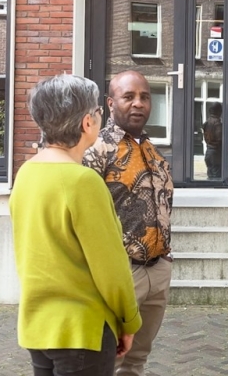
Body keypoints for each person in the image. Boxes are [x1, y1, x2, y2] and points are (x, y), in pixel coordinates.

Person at [10, 73, 142, 376]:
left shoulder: (26, 173)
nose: (100, 116)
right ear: (87, 122)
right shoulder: (83, 182)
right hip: (82, 329)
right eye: (98, 111)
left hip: (37, 326)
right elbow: (111, 267)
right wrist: (129, 321)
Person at [83, 70, 174, 376]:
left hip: (158, 271)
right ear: (111, 103)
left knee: (137, 360)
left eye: (144, 97)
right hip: (121, 274)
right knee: (109, 359)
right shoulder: (96, 150)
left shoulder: (152, 150)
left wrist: (167, 259)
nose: (138, 103)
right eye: (129, 96)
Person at [202, 101, 223, 179]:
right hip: (216, 154)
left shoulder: (206, 123)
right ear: (218, 111)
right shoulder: (217, 123)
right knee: (216, 179)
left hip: (208, 152)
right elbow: (220, 138)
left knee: (210, 177)